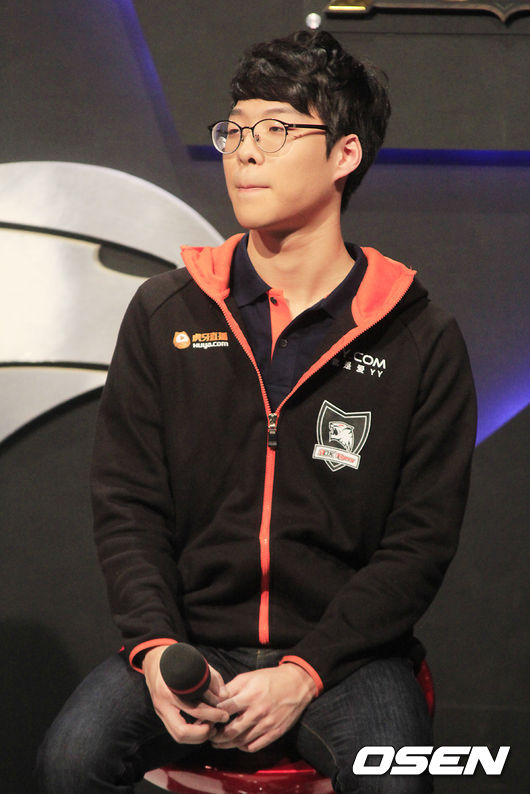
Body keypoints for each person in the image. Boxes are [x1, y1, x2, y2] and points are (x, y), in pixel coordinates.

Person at [37, 29, 476, 793]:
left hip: (347, 659)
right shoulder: (166, 311)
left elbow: (419, 544)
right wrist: (157, 650)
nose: (243, 153)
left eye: (274, 130)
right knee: (70, 759)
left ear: (344, 154)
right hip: (192, 643)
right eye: (235, 131)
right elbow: (128, 505)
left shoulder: (417, 335)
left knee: (396, 780)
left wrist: (306, 671)